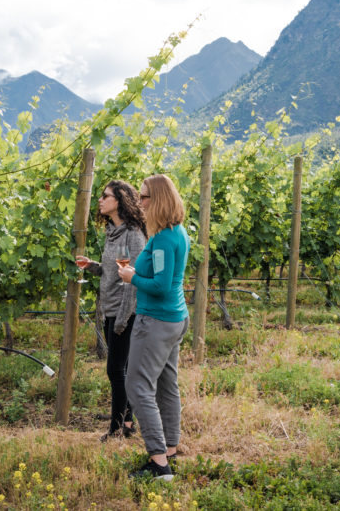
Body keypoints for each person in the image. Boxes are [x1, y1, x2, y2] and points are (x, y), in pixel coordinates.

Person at [118, 174, 190, 481]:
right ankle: (170, 450)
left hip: (156, 321)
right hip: (175, 318)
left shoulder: (161, 240)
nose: (139, 202)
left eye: (143, 197)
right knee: (166, 385)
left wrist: (131, 277)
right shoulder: (177, 232)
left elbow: (159, 285)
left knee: (137, 386)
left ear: (157, 200)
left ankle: (159, 463)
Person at [75, 180, 147, 441]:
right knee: (122, 368)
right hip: (110, 309)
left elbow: (134, 280)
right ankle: (127, 423)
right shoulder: (112, 232)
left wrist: (123, 318)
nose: (100, 200)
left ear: (120, 200)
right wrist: (93, 265)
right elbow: (115, 270)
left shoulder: (134, 235)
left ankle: (116, 429)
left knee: (115, 370)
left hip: (124, 312)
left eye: (105, 196)